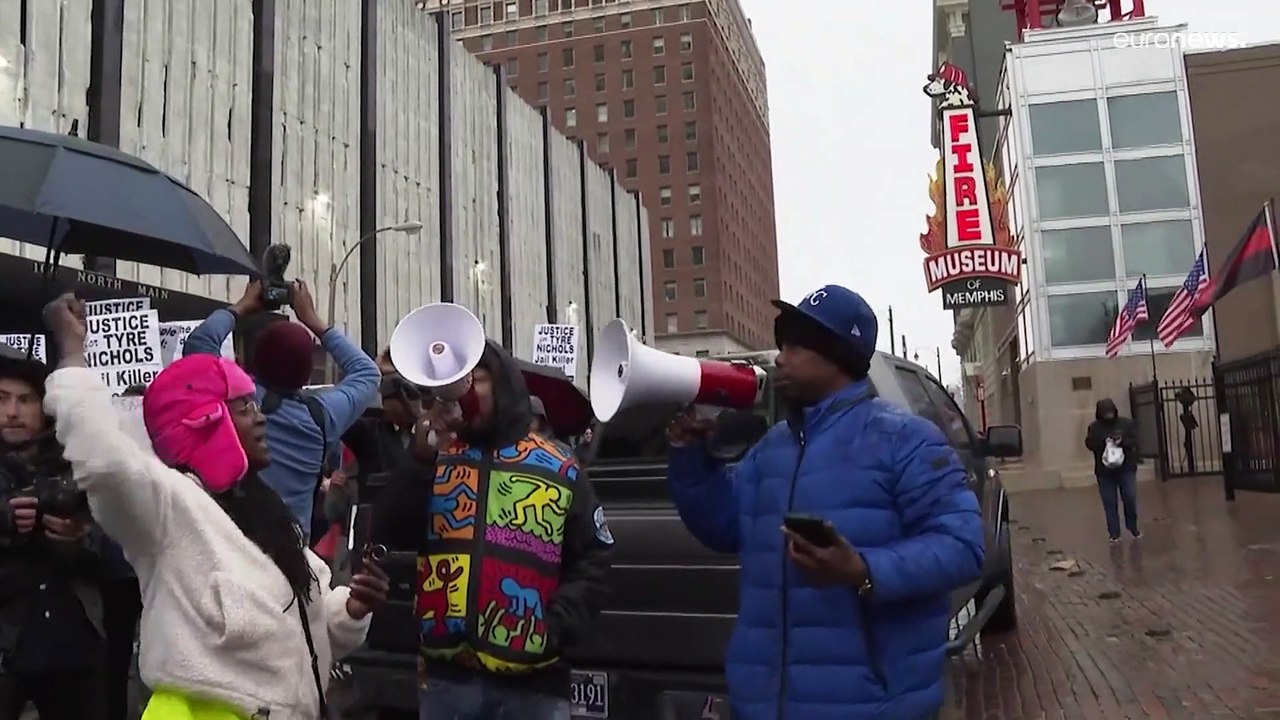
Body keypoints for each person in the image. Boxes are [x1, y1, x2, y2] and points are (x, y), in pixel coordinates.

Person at [40, 293, 389, 719]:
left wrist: (351, 610)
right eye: (244, 407)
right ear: (206, 422)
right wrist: (73, 355)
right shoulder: (169, 507)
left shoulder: (269, 512)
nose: (261, 419)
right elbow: (105, 460)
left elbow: (301, 618)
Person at [665, 285, 984, 720]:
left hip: (871, 705)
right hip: (764, 704)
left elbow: (964, 547)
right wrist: (690, 459)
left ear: (837, 355)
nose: (779, 358)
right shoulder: (772, 447)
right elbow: (722, 526)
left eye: (795, 347)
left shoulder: (905, 441)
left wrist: (863, 570)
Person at [372, 338, 613, 720]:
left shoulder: (558, 467)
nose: (461, 390)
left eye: (475, 379)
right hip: (446, 682)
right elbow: (387, 531)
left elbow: (595, 558)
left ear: (504, 384)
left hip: (535, 687)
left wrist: (556, 625)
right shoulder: (436, 460)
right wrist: (419, 463)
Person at [184, 278, 380, 535]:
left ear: (256, 358)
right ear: (307, 372)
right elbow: (368, 373)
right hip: (292, 558)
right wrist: (313, 320)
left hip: (231, 544)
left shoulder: (235, 400)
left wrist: (240, 307)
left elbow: (199, 344)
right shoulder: (323, 416)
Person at [0, 342, 108, 720]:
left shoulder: (79, 464)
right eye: (2, 399)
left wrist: (80, 538)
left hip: (73, 650)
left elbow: (122, 547)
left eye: (26, 400)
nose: (12, 412)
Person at [1085, 398, 1141, 542]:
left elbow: (1135, 441)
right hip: (1105, 472)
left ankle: (1132, 526)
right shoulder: (1094, 427)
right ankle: (1114, 533)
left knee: (1129, 496)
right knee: (1110, 502)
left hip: (1126, 467)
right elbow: (1090, 444)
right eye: (1105, 413)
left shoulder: (1126, 424)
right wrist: (1104, 441)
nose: (1108, 416)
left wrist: (1121, 441)